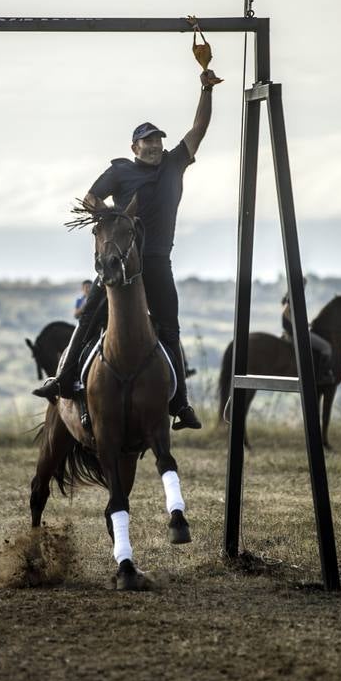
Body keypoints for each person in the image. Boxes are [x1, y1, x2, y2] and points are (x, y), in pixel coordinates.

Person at [33, 68, 222, 430]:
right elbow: (90, 199)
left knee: (170, 329)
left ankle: (180, 404)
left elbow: (198, 130)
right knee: (89, 319)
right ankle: (64, 380)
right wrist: (118, 218)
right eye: (146, 142)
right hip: (119, 264)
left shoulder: (173, 163)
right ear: (134, 148)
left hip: (157, 262)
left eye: (157, 141)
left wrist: (206, 90)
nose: (154, 146)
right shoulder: (120, 172)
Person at [281, 278, 335, 385]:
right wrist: (299, 325)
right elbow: (286, 312)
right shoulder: (294, 296)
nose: (304, 287)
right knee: (327, 347)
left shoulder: (289, 295)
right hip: (296, 332)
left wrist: (305, 323)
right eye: (303, 285)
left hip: (292, 329)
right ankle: (321, 377)